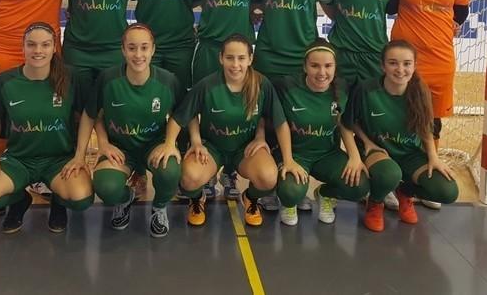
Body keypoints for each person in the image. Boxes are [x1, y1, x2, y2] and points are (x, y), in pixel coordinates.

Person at [0, 22, 94, 234]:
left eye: (45, 45)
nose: (38, 51)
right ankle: (19, 199)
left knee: (80, 198)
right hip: (19, 159)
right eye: (31, 45)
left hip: (59, 160)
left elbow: (87, 117)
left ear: (54, 48)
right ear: (22, 47)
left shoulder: (72, 78)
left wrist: (79, 156)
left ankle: (58, 202)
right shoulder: (6, 81)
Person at [152, 34, 288, 228]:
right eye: (230, 58)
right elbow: (182, 115)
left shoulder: (261, 84)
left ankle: (250, 198)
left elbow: (278, 121)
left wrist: (264, 139)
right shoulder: (207, 85)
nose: (235, 64)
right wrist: (186, 142)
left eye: (241, 58)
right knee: (188, 179)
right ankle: (197, 199)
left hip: (245, 149)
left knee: (268, 177)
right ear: (221, 58)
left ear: (250, 59)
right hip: (212, 148)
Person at [66, 24, 183, 237]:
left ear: (153, 50)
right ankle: (125, 198)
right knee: (107, 187)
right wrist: (97, 146)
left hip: (152, 146)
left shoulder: (167, 80)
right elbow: (91, 115)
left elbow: (183, 114)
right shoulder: (108, 79)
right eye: (132, 48)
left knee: (171, 171)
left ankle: (159, 207)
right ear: (122, 50)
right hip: (120, 149)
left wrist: (170, 143)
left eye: (144, 48)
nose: (138, 54)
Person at [388, 0, 469, 210]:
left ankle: (425, 178)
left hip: (440, 60)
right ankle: (390, 181)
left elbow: (460, 13)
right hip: (405, 62)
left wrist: (444, 28)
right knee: (397, 117)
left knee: (431, 121)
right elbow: (389, 5)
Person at [344, 40, 459, 232]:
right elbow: (348, 122)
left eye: (407, 63)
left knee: (447, 191)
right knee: (389, 174)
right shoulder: (366, 89)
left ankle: (404, 192)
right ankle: (375, 202)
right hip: (378, 151)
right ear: (383, 66)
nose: (400, 69)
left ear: (414, 66)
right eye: (393, 63)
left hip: (410, 154)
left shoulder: (421, 91)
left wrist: (433, 157)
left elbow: (426, 128)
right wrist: (365, 143)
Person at [274, 39, 370, 226]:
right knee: (291, 191)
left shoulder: (342, 88)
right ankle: (290, 202)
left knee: (360, 185)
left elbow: (343, 122)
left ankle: (325, 194)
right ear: (305, 66)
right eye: (315, 66)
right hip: (296, 155)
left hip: (327, 155)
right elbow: (280, 123)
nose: (322, 72)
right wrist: (288, 160)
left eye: (328, 66)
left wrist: (354, 156)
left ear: (335, 67)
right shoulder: (286, 86)